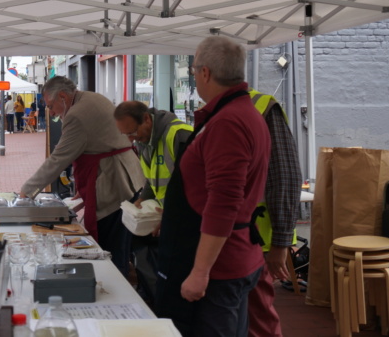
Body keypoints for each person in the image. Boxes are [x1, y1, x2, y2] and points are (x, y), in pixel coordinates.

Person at [154, 36, 270, 337]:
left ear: (205, 73)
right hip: (230, 255)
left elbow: (224, 202)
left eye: (193, 71)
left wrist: (200, 272)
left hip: (220, 266)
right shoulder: (240, 113)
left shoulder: (228, 122)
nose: (194, 77)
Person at [19, 76, 143, 277]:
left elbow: (58, 159)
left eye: (51, 106)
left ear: (62, 97)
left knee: (110, 247)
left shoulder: (77, 115)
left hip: (114, 183)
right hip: (125, 176)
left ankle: (114, 290)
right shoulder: (91, 98)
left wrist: (26, 191)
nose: (51, 113)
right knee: (121, 243)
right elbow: (94, 144)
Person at [113, 101, 193, 307]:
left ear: (147, 119)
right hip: (164, 219)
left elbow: (195, 186)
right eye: (126, 135)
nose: (131, 139)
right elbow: (152, 177)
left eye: (132, 132)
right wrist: (142, 199)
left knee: (182, 281)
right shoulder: (144, 140)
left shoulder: (179, 136)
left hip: (186, 223)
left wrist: (172, 215)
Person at [247, 90, 303, 337]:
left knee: (258, 313)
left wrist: (281, 241)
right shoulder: (217, 112)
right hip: (240, 234)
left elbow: (285, 176)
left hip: (260, 234)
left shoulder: (263, 107)